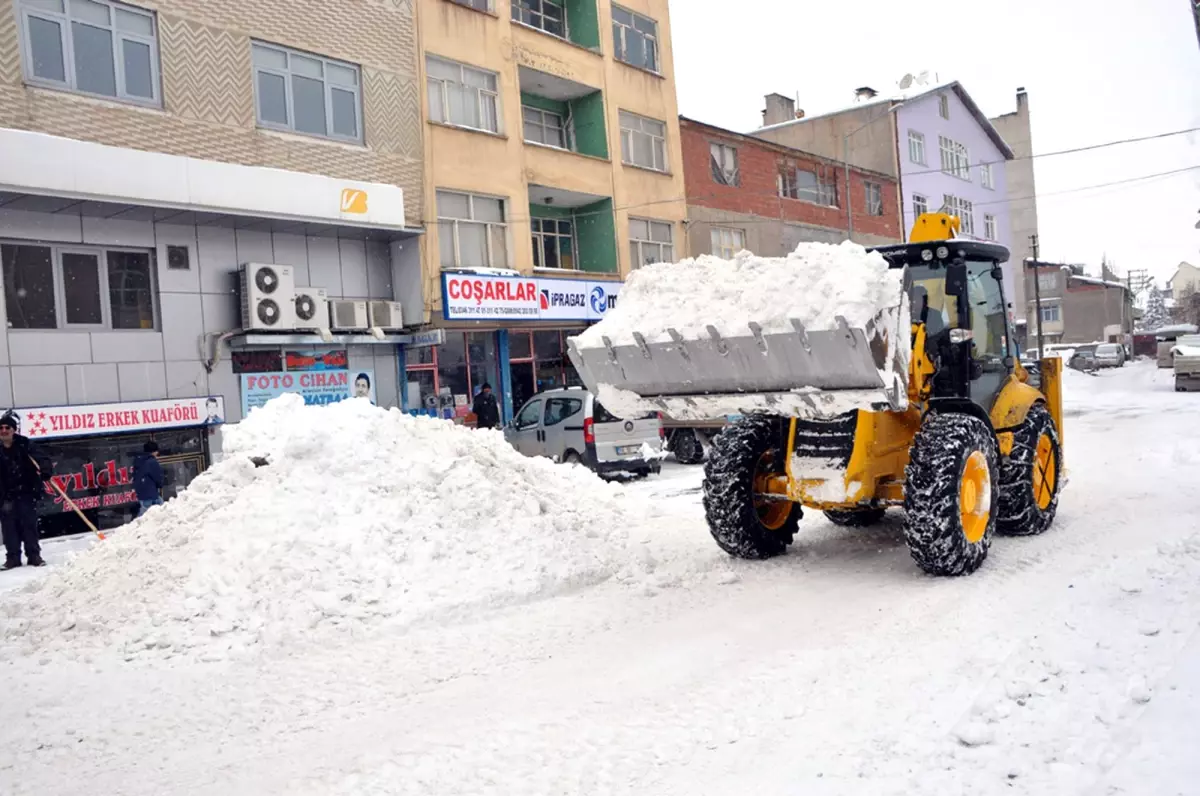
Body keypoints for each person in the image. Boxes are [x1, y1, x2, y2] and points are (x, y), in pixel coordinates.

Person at [0, 411, 53, 570]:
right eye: (0, 428)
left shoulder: (25, 444)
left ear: (14, 429)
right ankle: (13, 558)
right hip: (5, 495)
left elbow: (42, 458)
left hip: (26, 492)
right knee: (9, 527)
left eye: (7, 427)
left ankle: (34, 555)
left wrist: (45, 470)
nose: (4, 431)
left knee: (28, 525)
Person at [132, 441, 165, 517]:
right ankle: (135, 527)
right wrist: (160, 484)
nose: (157, 453)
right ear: (153, 451)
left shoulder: (138, 460)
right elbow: (158, 477)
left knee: (149, 511)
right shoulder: (152, 462)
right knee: (145, 514)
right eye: (156, 451)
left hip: (142, 492)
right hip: (150, 493)